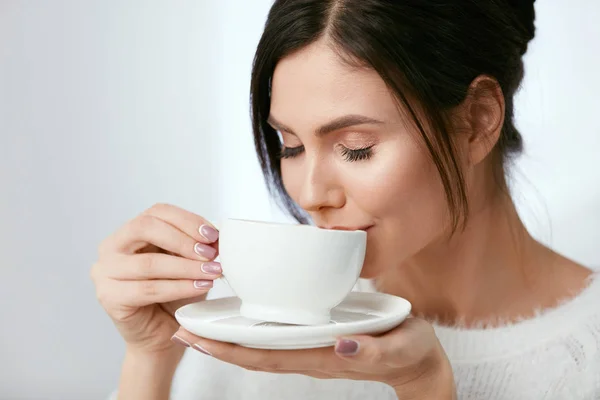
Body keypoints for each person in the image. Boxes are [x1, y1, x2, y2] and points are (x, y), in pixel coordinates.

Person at [91, 0, 600, 399]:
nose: (310, 195)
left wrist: (425, 388)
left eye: (356, 149)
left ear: (477, 121)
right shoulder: (253, 338)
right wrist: (151, 357)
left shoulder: (587, 362)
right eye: (290, 145)